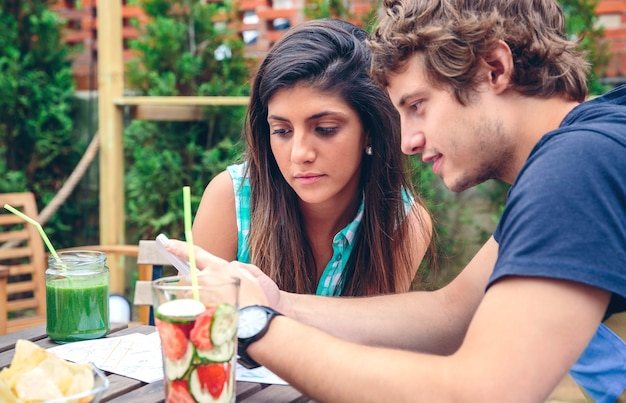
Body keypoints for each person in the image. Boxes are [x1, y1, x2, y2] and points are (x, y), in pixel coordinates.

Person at [167, 0, 626, 401]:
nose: (406, 141)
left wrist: (254, 324)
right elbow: (454, 312)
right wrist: (279, 303)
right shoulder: (591, 146)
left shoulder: (575, 165)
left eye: (417, 105)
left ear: (495, 69)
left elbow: (480, 391)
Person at [192, 19, 433, 296]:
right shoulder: (231, 199)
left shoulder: (402, 222)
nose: (299, 154)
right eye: (282, 131)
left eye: (325, 129)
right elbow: (196, 328)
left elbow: (364, 335)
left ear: (369, 130)